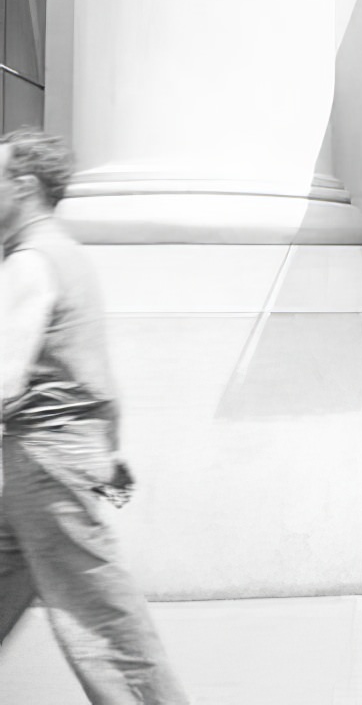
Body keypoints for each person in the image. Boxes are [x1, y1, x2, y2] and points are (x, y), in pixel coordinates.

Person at [0, 129, 189, 704]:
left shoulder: (32, 261)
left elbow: (3, 374)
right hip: (47, 459)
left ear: (24, 185)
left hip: (43, 460)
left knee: (103, 623)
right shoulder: (60, 251)